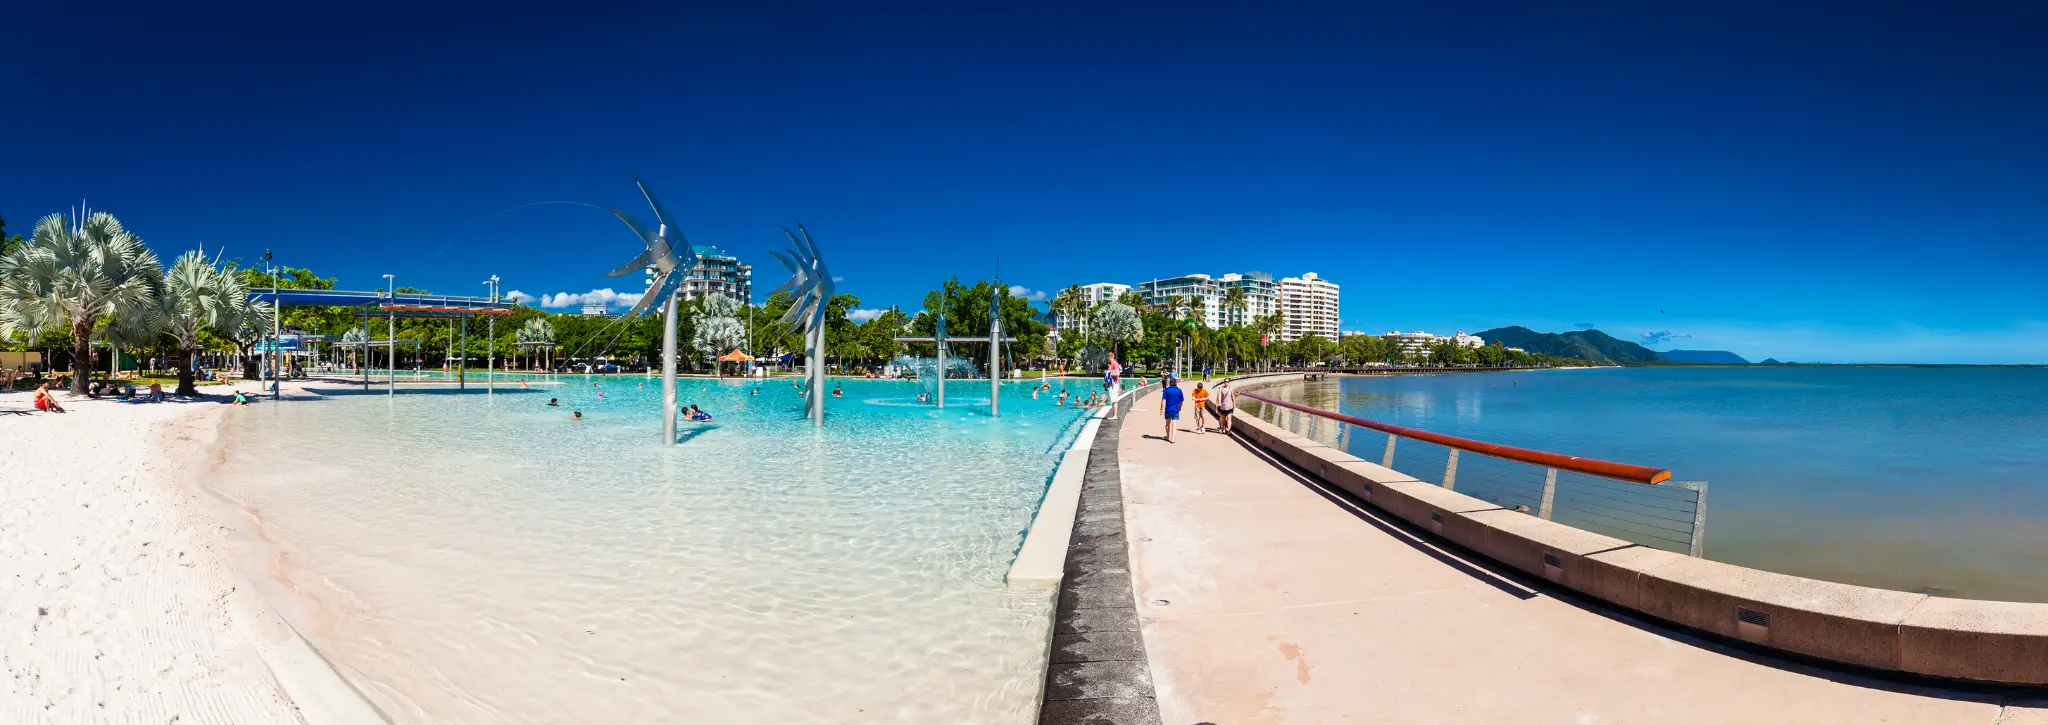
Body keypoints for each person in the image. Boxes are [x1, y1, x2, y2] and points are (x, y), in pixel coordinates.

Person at [1160, 377, 1184, 442]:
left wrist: (1161, 408)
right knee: (1174, 423)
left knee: (1167, 424)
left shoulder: (1166, 390)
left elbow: (1163, 400)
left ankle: (1168, 436)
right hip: (1176, 409)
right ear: (1176, 383)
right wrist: (1180, 407)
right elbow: (1181, 401)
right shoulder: (1179, 390)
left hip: (1168, 409)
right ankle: (1173, 438)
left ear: (1169, 383)